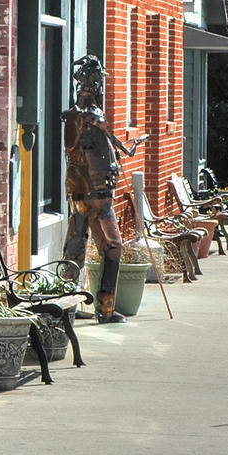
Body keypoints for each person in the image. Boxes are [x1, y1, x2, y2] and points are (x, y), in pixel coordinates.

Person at [60, 54, 142, 323]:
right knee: (112, 246)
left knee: (76, 243)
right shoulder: (90, 118)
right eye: (97, 84)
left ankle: (65, 306)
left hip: (81, 191)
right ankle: (103, 309)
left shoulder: (76, 117)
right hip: (96, 194)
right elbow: (90, 156)